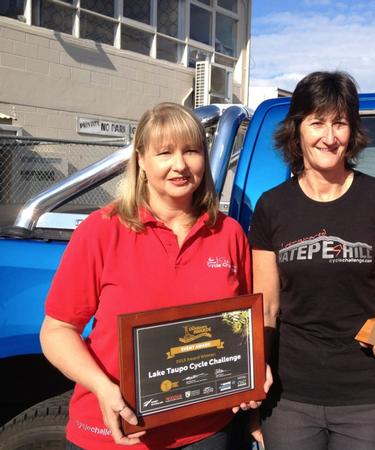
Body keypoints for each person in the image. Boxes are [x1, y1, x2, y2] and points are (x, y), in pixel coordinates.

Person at [40, 102, 265, 449]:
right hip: (118, 433)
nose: (180, 165)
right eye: (164, 153)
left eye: (191, 151)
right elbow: (57, 331)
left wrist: (251, 374)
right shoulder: (102, 230)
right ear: (142, 160)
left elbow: (241, 329)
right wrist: (102, 387)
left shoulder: (229, 233)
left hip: (206, 432)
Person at [249, 71, 375, 450]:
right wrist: (254, 387)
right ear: (297, 130)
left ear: (352, 131)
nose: (330, 136)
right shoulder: (272, 206)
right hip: (290, 400)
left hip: (370, 395)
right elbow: (267, 308)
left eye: (340, 123)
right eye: (318, 122)